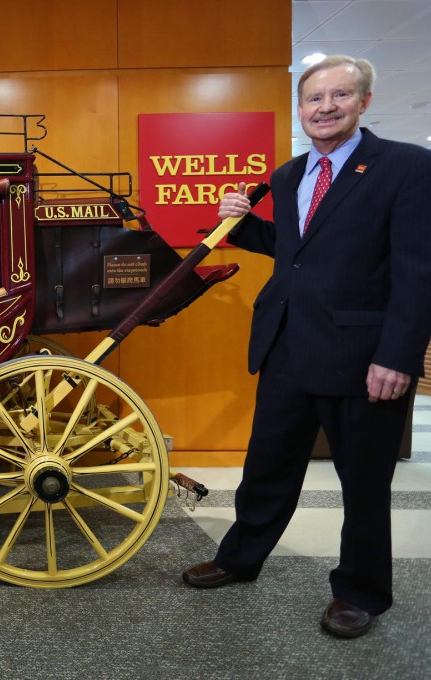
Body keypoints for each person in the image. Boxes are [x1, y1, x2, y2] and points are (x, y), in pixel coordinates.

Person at [182, 55, 431, 639]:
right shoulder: (290, 174)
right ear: (300, 109)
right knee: (267, 467)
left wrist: (398, 356)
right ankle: (239, 559)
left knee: (363, 484)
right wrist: (243, 227)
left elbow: (419, 274)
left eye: (339, 96)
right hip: (288, 349)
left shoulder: (408, 167)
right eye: (314, 98)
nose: (325, 107)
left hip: (364, 358)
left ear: (364, 101)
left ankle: (360, 592)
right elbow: (300, 251)